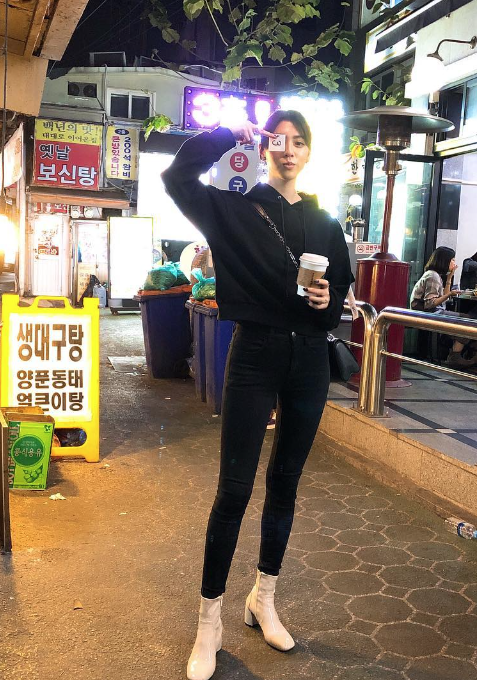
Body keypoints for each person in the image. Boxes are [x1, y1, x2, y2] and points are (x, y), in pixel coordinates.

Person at [162, 110, 353, 680]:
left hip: (309, 359)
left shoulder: (326, 223)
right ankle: (209, 623)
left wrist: (329, 302)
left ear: (309, 152)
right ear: (265, 148)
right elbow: (177, 178)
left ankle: (263, 598)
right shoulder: (234, 210)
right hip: (253, 354)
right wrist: (226, 136)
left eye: (299, 141)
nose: (288, 149)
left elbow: (340, 291)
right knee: (234, 490)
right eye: (279, 140)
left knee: (285, 483)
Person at [410, 246, 475, 366]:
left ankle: (452, 347)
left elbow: (444, 298)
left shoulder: (435, 275)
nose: (454, 263)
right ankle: (454, 356)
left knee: (468, 319)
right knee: (468, 320)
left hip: (433, 311)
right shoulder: (432, 276)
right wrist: (450, 294)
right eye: (452, 260)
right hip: (428, 314)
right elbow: (430, 303)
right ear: (444, 261)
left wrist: (449, 278)